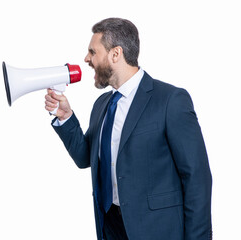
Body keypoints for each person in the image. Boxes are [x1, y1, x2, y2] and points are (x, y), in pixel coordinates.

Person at [45, 18, 212, 239]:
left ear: (116, 54)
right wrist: (66, 118)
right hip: (110, 226)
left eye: (92, 52)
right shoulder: (102, 105)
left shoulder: (170, 100)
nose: (86, 59)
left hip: (157, 230)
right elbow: (85, 157)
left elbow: (197, 178)